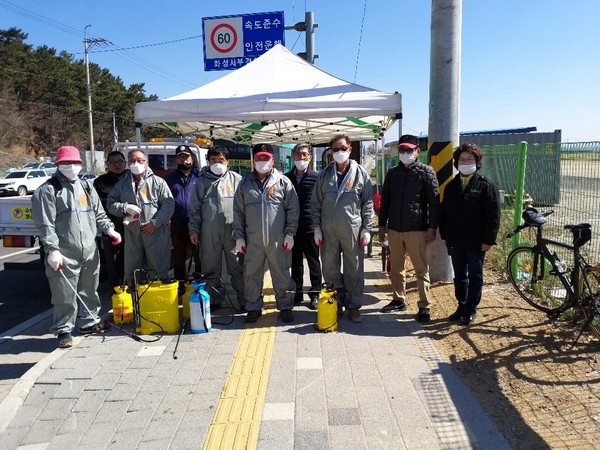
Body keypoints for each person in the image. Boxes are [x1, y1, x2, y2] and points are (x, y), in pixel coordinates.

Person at [32, 146, 122, 348]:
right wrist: (52, 249)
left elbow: (98, 213)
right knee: (64, 293)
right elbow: (45, 224)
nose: (71, 166)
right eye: (65, 163)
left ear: (81, 164)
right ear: (58, 164)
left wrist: (109, 229)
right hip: (64, 251)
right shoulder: (48, 190)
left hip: (89, 248)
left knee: (90, 289)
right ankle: (64, 330)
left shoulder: (86, 187)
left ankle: (89, 322)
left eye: (74, 163)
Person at [233, 143, 299, 324]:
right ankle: (253, 307)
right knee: (251, 274)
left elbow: (293, 209)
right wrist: (238, 236)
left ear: (272, 160)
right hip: (252, 240)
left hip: (278, 240)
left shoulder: (283, 182)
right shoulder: (244, 184)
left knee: (282, 273)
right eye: (259, 158)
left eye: (266, 158)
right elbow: (237, 211)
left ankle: (285, 306)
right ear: (254, 160)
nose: (262, 161)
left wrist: (290, 233)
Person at [311, 134, 374, 323]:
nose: (339, 152)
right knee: (329, 269)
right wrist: (317, 228)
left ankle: (354, 305)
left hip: (352, 230)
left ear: (350, 149)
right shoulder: (324, 175)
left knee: (354, 269)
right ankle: (335, 303)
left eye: (343, 148)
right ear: (330, 151)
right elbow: (315, 204)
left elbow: (368, 202)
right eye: (335, 149)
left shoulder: (360, 173)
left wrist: (366, 228)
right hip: (328, 231)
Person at [378, 134, 440, 323]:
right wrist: (382, 225)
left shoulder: (426, 172)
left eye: (409, 150)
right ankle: (398, 299)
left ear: (417, 151)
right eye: (402, 150)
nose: (405, 153)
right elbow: (385, 200)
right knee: (396, 267)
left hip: (417, 228)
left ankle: (424, 306)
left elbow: (434, 201)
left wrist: (432, 227)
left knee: (421, 269)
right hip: (395, 228)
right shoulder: (393, 173)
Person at [439, 143, 501, 325]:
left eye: (470, 159)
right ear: (456, 162)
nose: (466, 162)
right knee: (459, 275)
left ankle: (472, 307)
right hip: (456, 240)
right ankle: (462, 304)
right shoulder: (451, 186)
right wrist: (445, 235)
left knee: (475, 274)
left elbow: (493, 215)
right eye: (462, 159)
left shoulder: (486, 185)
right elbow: (445, 213)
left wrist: (488, 239)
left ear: (477, 161)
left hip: (476, 242)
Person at [108, 149, 175, 285]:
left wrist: (155, 223)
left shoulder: (158, 182)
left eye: (140, 160)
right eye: (132, 161)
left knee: (158, 269)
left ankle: (158, 301)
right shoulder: (122, 184)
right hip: (133, 234)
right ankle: (136, 301)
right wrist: (124, 207)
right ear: (128, 163)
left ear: (146, 162)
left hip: (155, 233)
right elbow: (111, 204)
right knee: (133, 270)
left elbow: (168, 204)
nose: (136, 163)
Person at [189, 146, 244, 309]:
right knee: (210, 268)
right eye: (214, 160)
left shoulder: (237, 179)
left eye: (221, 160)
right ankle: (214, 299)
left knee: (238, 267)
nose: (217, 163)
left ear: (227, 161)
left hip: (233, 232)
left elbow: (244, 207)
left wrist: (243, 232)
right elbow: (195, 208)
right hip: (209, 233)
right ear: (208, 161)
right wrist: (194, 229)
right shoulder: (201, 181)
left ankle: (244, 300)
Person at [284, 143, 322, 310]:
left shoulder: (317, 177)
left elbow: (321, 203)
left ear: (310, 157)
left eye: (304, 154)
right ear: (293, 157)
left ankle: (314, 294)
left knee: (314, 263)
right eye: (298, 155)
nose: (301, 158)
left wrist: (319, 227)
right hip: (292, 229)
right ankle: (297, 293)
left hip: (310, 227)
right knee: (295, 263)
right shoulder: (285, 178)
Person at [164, 145, 201, 284]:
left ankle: (199, 285)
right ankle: (180, 287)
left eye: (186, 156)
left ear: (192, 158)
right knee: (179, 258)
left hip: (197, 223)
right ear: (176, 159)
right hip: (177, 224)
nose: (183, 159)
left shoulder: (200, 176)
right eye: (180, 156)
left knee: (199, 256)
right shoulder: (169, 179)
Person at [93, 150, 127, 287]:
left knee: (133, 262)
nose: (117, 165)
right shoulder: (100, 182)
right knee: (114, 265)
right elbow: (98, 206)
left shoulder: (134, 178)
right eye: (113, 162)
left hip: (133, 229)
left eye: (120, 161)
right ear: (108, 165)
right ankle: (117, 293)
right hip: (112, 229)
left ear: (125, 163)